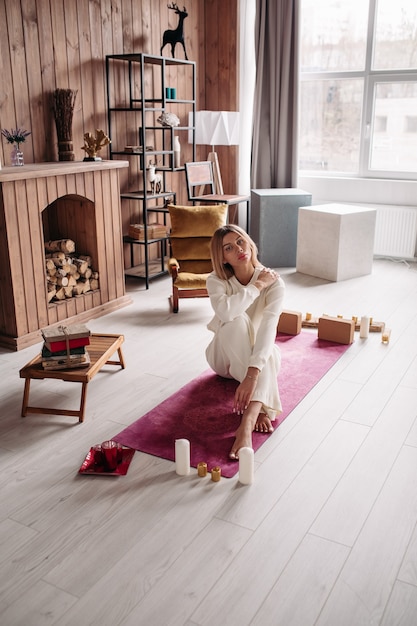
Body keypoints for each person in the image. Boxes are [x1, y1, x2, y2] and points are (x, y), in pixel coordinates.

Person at [205, 224, 285, 460]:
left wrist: (251, 375)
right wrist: (257, 285)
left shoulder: (276, 282)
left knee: (270, 351)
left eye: (240, 241)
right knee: (235, 319)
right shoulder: (216, 280)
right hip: (223, 359)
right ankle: (259, 404)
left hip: (255, 359)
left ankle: (247, 421)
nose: (238, 249)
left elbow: (269, 329)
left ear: (249, 242)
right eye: (229, 248)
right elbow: (227, 314)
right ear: (223, 258)